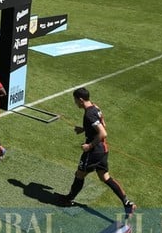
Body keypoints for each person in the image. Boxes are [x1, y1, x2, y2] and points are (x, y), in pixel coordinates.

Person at [57, 87, 136, 216]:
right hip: (103, 150)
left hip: (94, 151)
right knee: (105, 177)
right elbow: (102, 124)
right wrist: (85, 129)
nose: (75, 103)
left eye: (75, 100)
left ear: (81, 100)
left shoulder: (89, 114)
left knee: (79, 174)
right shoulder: (95, 107)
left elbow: (103, 132)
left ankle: (68, 199)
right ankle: (127, 203)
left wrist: (89, 146)